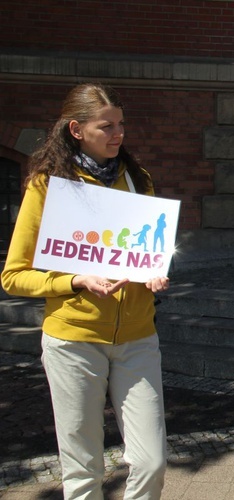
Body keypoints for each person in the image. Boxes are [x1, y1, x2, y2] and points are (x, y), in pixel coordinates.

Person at [1, 83, 169, 499]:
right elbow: (13, 276)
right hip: (72, 340)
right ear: (76, 129)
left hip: (137, 338)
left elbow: (148, 252)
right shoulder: (48, 185)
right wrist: (74, 280)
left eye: (121, 124)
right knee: (83, 470)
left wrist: (154, 272)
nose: (118, 134)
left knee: (151, 462)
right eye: (106, 126)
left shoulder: (137, 178)